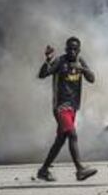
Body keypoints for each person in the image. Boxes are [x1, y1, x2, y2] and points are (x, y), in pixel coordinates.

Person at [35, 37, 99, 182]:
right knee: (72, 134)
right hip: (61, 106)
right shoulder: (60, 61)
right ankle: (80, 170)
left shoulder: (80, 61)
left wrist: (81, 68)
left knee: (60, 140)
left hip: (73, 107)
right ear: (65, 49)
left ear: (79, 50)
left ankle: (43, 170)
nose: (72, 51)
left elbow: (92, 78)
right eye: (69, 48)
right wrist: (48, 60)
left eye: (75, 49)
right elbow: (42, 75)